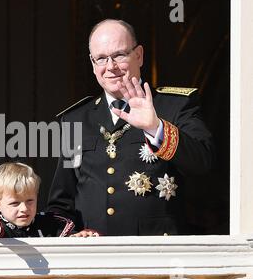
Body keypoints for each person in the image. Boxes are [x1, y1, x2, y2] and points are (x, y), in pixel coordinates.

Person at [47, 19, 215, 236]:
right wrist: (71, 236)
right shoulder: (75, 120)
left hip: (157, 256)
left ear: (139, 55)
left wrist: (156, 128)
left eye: (119, 55)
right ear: (92, 63)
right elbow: (62, 202)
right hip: (94, 258)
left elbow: (203, 163)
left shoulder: (174, 106)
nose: (110, 67)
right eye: (101, 59)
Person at [0, 162, 98, 238]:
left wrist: (81, 235)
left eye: (29, 201)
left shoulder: (48, 223)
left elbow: (68, 237)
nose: (24, 209)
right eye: (15, 203)